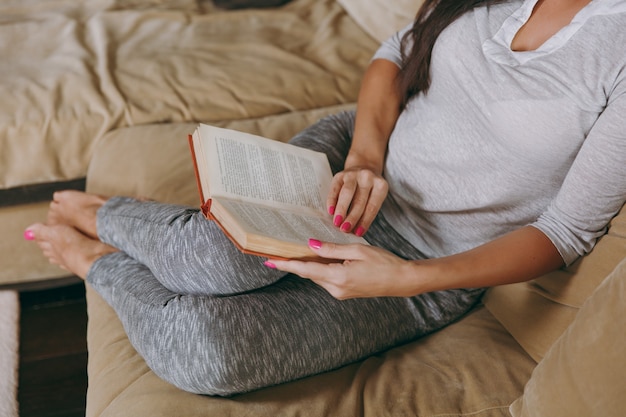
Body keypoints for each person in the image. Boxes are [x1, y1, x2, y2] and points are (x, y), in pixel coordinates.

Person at [26, 0, 626, 396]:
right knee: (211, 258)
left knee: (207, 357)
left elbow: (567, 232)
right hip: (355, 159)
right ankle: (110, 214)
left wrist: (408, 279)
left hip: (423, 261)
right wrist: (364, 159)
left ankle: (97, 262)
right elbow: (396, 54)